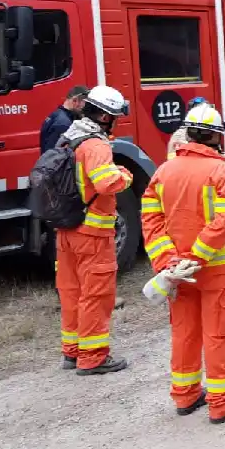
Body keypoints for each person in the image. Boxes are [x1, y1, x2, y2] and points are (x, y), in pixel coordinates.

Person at [141, 103, 225, 423]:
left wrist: (169, 262)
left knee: (185, 332)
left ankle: (186, 395)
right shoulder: (222, 172)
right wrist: (195, 257)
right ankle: (222, 403)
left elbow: (151, 220)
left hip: (177, 274)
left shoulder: (164, 171)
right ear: (217, 138)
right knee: (217, 334)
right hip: (214, 270)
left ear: (187, 133)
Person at [57, 85, 132, 375]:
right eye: (114, 116)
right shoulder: (96, 145)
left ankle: (72, 351)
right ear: (104, 116)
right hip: (92, 232)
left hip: (67, 229)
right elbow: (106, 183)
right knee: (96, 294)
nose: (114, 122)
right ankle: (93, 357)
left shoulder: (69, 137)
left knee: (71, 292)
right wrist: (124, 175)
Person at [40, 85, 90, 153]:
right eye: (85, 103)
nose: (86, 107)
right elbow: (56, 156)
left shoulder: (56, 115)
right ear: (75, 100)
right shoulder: (64, 124)